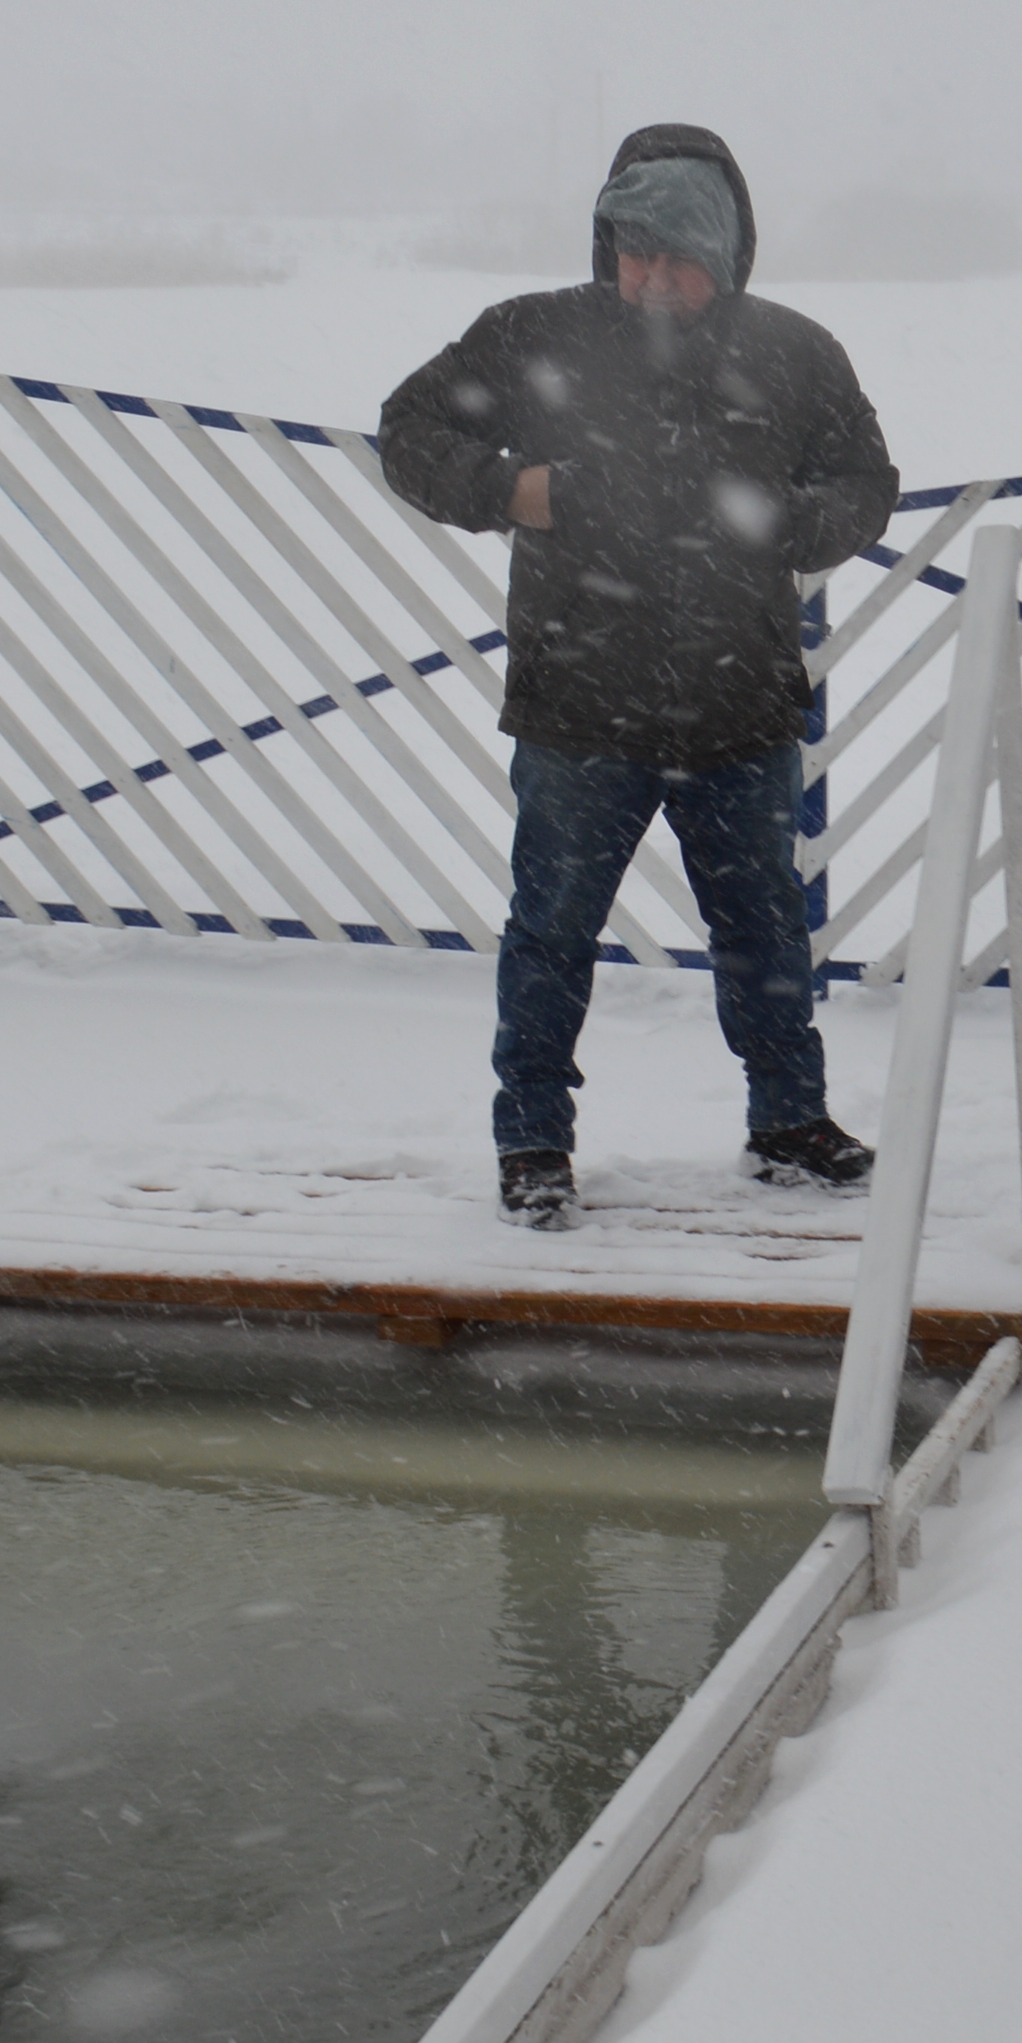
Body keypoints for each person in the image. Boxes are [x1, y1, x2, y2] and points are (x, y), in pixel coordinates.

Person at [377, 127, 903, 1232]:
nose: (654, 281)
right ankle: (533, 1141)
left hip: (739, 705)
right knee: (552, 930)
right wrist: (518, 492)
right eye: (634, 254)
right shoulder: (534, 336)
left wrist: (791, 526)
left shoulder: (795, 355)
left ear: (730, 256)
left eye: (680, 259)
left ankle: (788, 1122)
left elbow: (865, 480)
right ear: (607, 246)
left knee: (761, 930)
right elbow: (409, 432)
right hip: (580, 704)